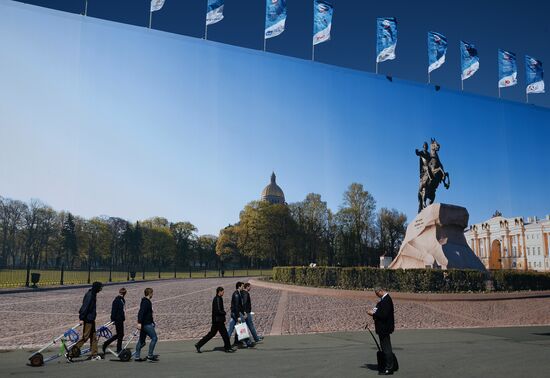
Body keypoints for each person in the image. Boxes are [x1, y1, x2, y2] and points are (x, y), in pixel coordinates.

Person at [68, 281, 103, 361]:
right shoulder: (90, 295)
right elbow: (84, 307)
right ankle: (71, 353)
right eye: (100, 287)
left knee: (94, 337)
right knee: (85, 337)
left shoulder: (93, 294)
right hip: (88, 320)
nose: (101, 289)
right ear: (97, 287)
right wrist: (81, 318)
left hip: (91, 319)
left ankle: (94, 354)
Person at [194, 287, 235, 353]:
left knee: (211, 334)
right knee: (225, 335)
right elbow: (218, 310)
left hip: (216, 321)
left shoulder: (218, 298)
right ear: (219, 292)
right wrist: (224, 312)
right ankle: (227, 348)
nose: (223, 293)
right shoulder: (218, 299)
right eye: (223, 292)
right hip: (218, 321)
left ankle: (198, 344)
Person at [367, 287, 395, 375]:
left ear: (380, 291)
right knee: (385, 348)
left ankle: (389, 368)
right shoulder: (384, 300)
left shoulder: (386, 300)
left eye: (376, 293)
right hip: (383, 328)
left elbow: (383, 315)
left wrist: (373, 313)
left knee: (386, 349)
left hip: (384, 328)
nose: (376, 295)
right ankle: (388, 366)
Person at [135, 288, 158, 362]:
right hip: (146, 324)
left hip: (146, 323)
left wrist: (152, 321)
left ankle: (137, 357)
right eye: (152, 293)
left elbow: (148, 313)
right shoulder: (146, 302)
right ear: (150, 293)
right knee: (154, 338)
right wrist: (139, 323)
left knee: (141, 341)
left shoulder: (145, 301)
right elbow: (141, 312)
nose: (153, 295)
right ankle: (150, 356)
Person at [227, 282, 253, 348]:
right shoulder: (236, 294)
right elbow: (236, 306)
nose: (243, 287)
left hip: (236, 313)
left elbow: (240, 305)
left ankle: (229, 342)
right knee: (242, 326)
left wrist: (243, 312)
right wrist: (238, 316)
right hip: (235, 313)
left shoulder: (239, 293)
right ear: (239, 287)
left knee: (231, 328)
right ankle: (247, 342)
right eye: (242, 286)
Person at [102, 287, 126, 355]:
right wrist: (113, 319)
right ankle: (118, 348)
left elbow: (122, 310)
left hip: (121, 319)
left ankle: (108, 344)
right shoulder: (117, 300)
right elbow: (113, 310)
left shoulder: (122, 300)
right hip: (117, 319)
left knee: (120, 334)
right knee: (120, 334)